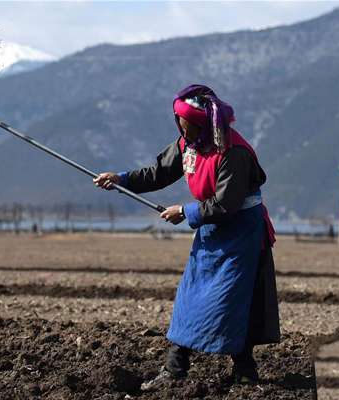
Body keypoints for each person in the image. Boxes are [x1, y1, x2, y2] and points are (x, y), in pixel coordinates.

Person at [94, 84, 280, 389]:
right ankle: (176, 368)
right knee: (190, 299)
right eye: (181, 129)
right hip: (211, 232)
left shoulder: (233, 153)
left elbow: (225, 204)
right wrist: (121, 180)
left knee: (233, 301)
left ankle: (244, 370)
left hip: (241, 235)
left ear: (204, 126)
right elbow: (159, 173)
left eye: (189, 130)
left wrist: (186, 212)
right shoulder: (188, 144)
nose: (185, 136)